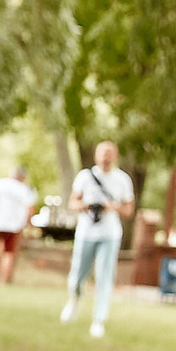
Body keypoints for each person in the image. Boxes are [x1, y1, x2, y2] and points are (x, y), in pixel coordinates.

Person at [58, 142, 136, 337]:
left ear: (115, 156)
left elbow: (129, 209)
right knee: (78, 274)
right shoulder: (85, 177)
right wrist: (87, 205)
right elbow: (72, 203)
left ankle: (98, 320)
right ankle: (74, 300)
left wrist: (112, 207)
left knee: (104, 276)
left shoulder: (122, 180)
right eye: (102, 153)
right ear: (96, 155)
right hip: (86, 233)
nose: (106, 157)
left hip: (109, 234)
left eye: (109, 153)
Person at [0, 165, 35, 284]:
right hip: (13, 226)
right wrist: (29, 224)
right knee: (8, 253)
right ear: (23, 177)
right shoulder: (24, 189)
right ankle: (4, 281)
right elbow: (30, 209)